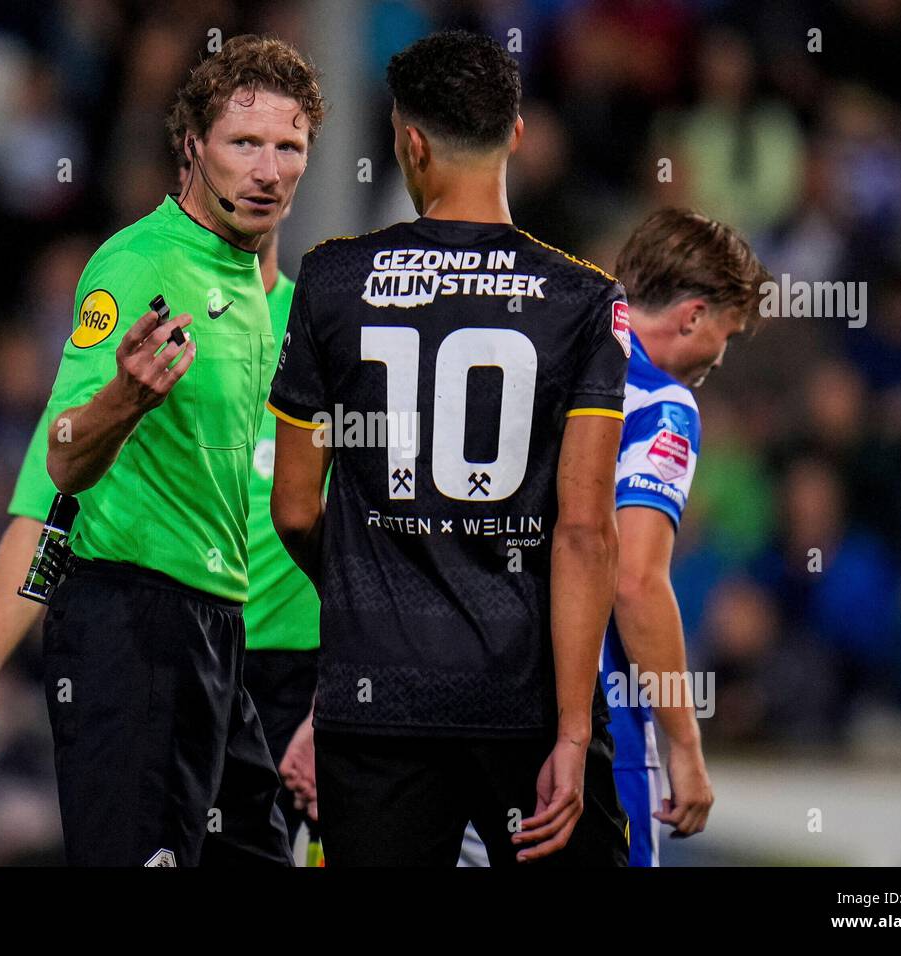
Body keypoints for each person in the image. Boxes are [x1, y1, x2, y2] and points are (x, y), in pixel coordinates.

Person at [268, 30, 628, 866]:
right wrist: (574, 732)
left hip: (376, 700)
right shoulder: (581, 300)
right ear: (517, 136)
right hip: (527, 699)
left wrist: (372, 585)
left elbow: (293, 509)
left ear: (409, 143)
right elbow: (583, 533)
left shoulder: (331, 280)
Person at [41, 34, 323, 866]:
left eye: (290, 147)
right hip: (133, 619)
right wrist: (123, 399)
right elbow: (62, 456)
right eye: (245, 144)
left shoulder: (254, 284)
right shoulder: (137, 265)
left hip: (215, 625)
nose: (269, 170)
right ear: (193, 146)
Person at [597, 208, 770, 865]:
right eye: (726, 334)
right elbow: (636, 582)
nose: (720, 357)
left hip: (460, 707)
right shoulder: (659, 402)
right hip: (594, 723)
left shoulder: (537, 350)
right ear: (693, 314)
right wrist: (685, 746)